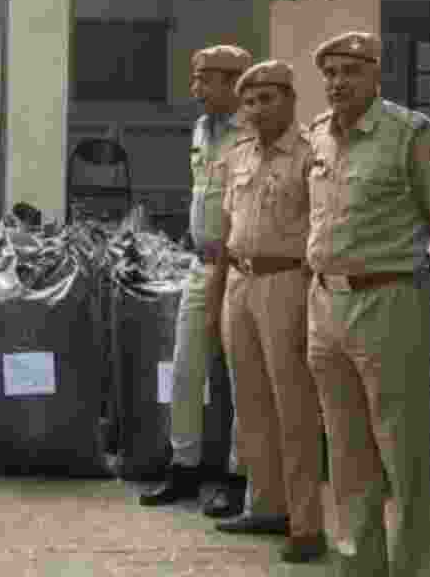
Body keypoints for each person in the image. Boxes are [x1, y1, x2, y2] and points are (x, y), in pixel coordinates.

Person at [304, 32, 430, 577]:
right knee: (346, 453)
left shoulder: (412, 136)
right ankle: (359, 565)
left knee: (404, 452)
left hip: (391, 302)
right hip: (326, 305)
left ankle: (416, 568)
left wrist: (421, 293)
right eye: (330, 72)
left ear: (376, 75)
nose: (337, 82)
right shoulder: (318, 136)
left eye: (351, 70)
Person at [205, 60, 325, 563]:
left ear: (291, 98)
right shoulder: (239, 155)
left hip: (286, 282)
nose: (256, 109)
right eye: (249, 101)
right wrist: (217, 296)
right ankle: (266, 505)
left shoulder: (310, 153)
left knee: (292, 406)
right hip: (240, 280)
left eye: (267, 98)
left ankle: (306, 522)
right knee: (249, 403)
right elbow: (226, 232)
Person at [141, 43, 251, 517]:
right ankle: (183, 467)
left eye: (205, 79)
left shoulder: (253, 133)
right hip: (201, 261)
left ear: (232, 83)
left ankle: (233, 476)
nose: (195, 88)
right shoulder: (202, 129)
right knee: (185, 367)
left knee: (236, 376)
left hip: (241, 266)